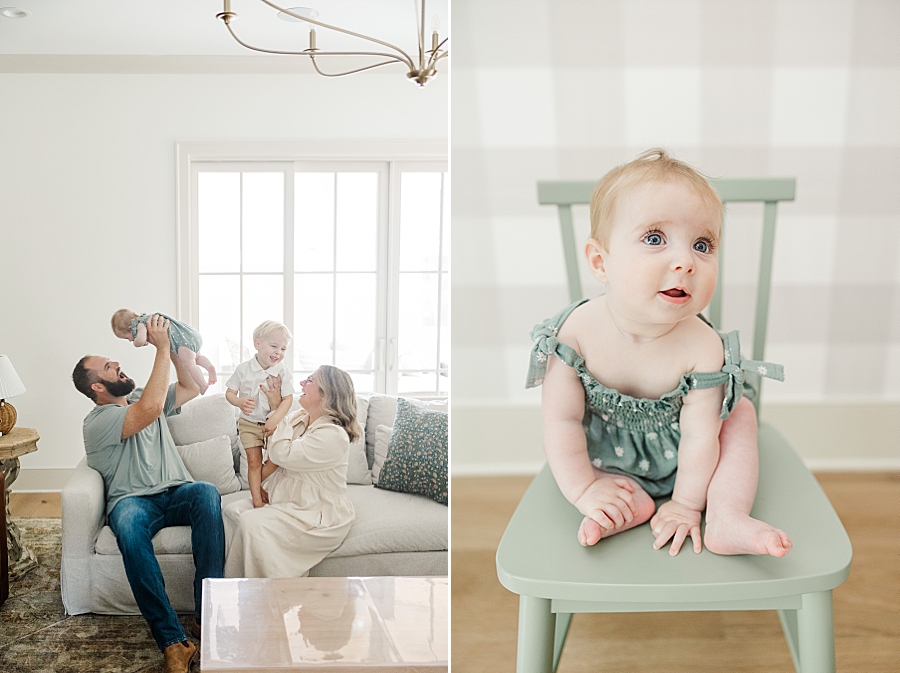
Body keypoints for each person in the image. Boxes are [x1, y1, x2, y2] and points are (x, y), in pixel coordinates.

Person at [527, 149, 793, 557]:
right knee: (581, 456)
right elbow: (560, 423)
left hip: (695, 461)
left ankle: (725, 514)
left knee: (739, 417)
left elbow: (703, 437)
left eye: (703, 245)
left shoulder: (705, 347)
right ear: (601, 261)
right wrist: (585, 488)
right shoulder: (575, 334)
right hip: (606, 456)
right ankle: (624, 501)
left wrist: (687, 505)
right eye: (655, 239)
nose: (685, 261)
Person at [73, 314, 225, 673]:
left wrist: (173, 347)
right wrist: (158, 349)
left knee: (206, 492)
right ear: (97, 386)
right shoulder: (96, 423)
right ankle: (173, 641)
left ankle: (207, 615)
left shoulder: (142, 395)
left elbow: (191, 388)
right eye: (110, 368)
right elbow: (151, 409)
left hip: (177, 493)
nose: (118, 365)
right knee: (126, 523)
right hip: (133, 502)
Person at [223, 365, 360, 578]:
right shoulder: (300, 417)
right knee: (231, 512)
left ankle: (267, 595)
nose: (301, 384)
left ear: (326, 393)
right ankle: (234, 588)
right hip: (285, 498)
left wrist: (278, 410)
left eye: (310, 380)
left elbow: (281, 454)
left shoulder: (333, 436)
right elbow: (272, 452)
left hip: (313, 511)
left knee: (253, 524)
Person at [224, 320, 295, 508]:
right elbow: (229, 393)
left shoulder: (283, 372)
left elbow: (288, 399)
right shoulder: (243, 369)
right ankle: (257, 500)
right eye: (274, 346)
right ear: (257, 344)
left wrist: (275, 419)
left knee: (278, 459)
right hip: (248, 423)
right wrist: (239, 402)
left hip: (273, 424)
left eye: (283, 349)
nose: (278, 352)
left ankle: (256, 485)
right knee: (254, 462)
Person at [111, 308, 216, 394]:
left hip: (183, 343)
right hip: (192, 336)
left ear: (130, 328)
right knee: (197, 357)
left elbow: (140, 341)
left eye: (126, 338)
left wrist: (136, 342)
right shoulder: (147, 317)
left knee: (190, 364)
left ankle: (202, 384)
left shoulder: (141, 324)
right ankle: (210, 368)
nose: (130, 340)